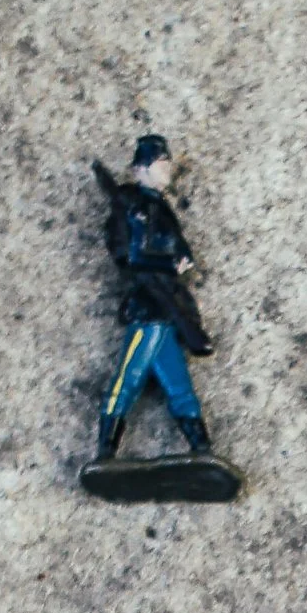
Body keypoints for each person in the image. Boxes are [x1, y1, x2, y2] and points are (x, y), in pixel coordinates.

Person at [87, 136, 232, 481]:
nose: (168, 169)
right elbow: (129, 255)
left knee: (178, 385)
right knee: (127, 379)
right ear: (142, 170)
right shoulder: (132, 207)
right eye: (161, 164)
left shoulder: (160, 208)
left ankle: (202, 451)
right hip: (147, 308)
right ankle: (105, 452)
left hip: (167, 310)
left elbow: (176, 247)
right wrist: (166, 261)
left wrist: (180, 259)